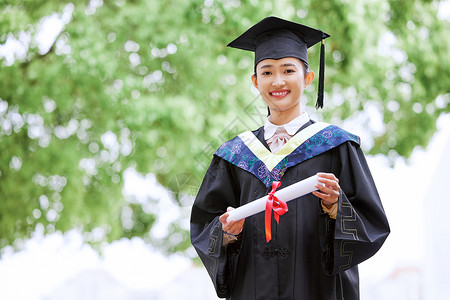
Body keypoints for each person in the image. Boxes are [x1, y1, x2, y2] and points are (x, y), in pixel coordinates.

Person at [190, 16, 390, 300]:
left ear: (308, 78)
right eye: (267, 72)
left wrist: (336, 207)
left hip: (318, 290)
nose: (278, 81)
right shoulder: (234, 155)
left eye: (288, 70)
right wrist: (226, 233)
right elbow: (204, 224)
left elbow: (373, 224)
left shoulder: (336, 145)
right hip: (253, 290)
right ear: (255, 81)